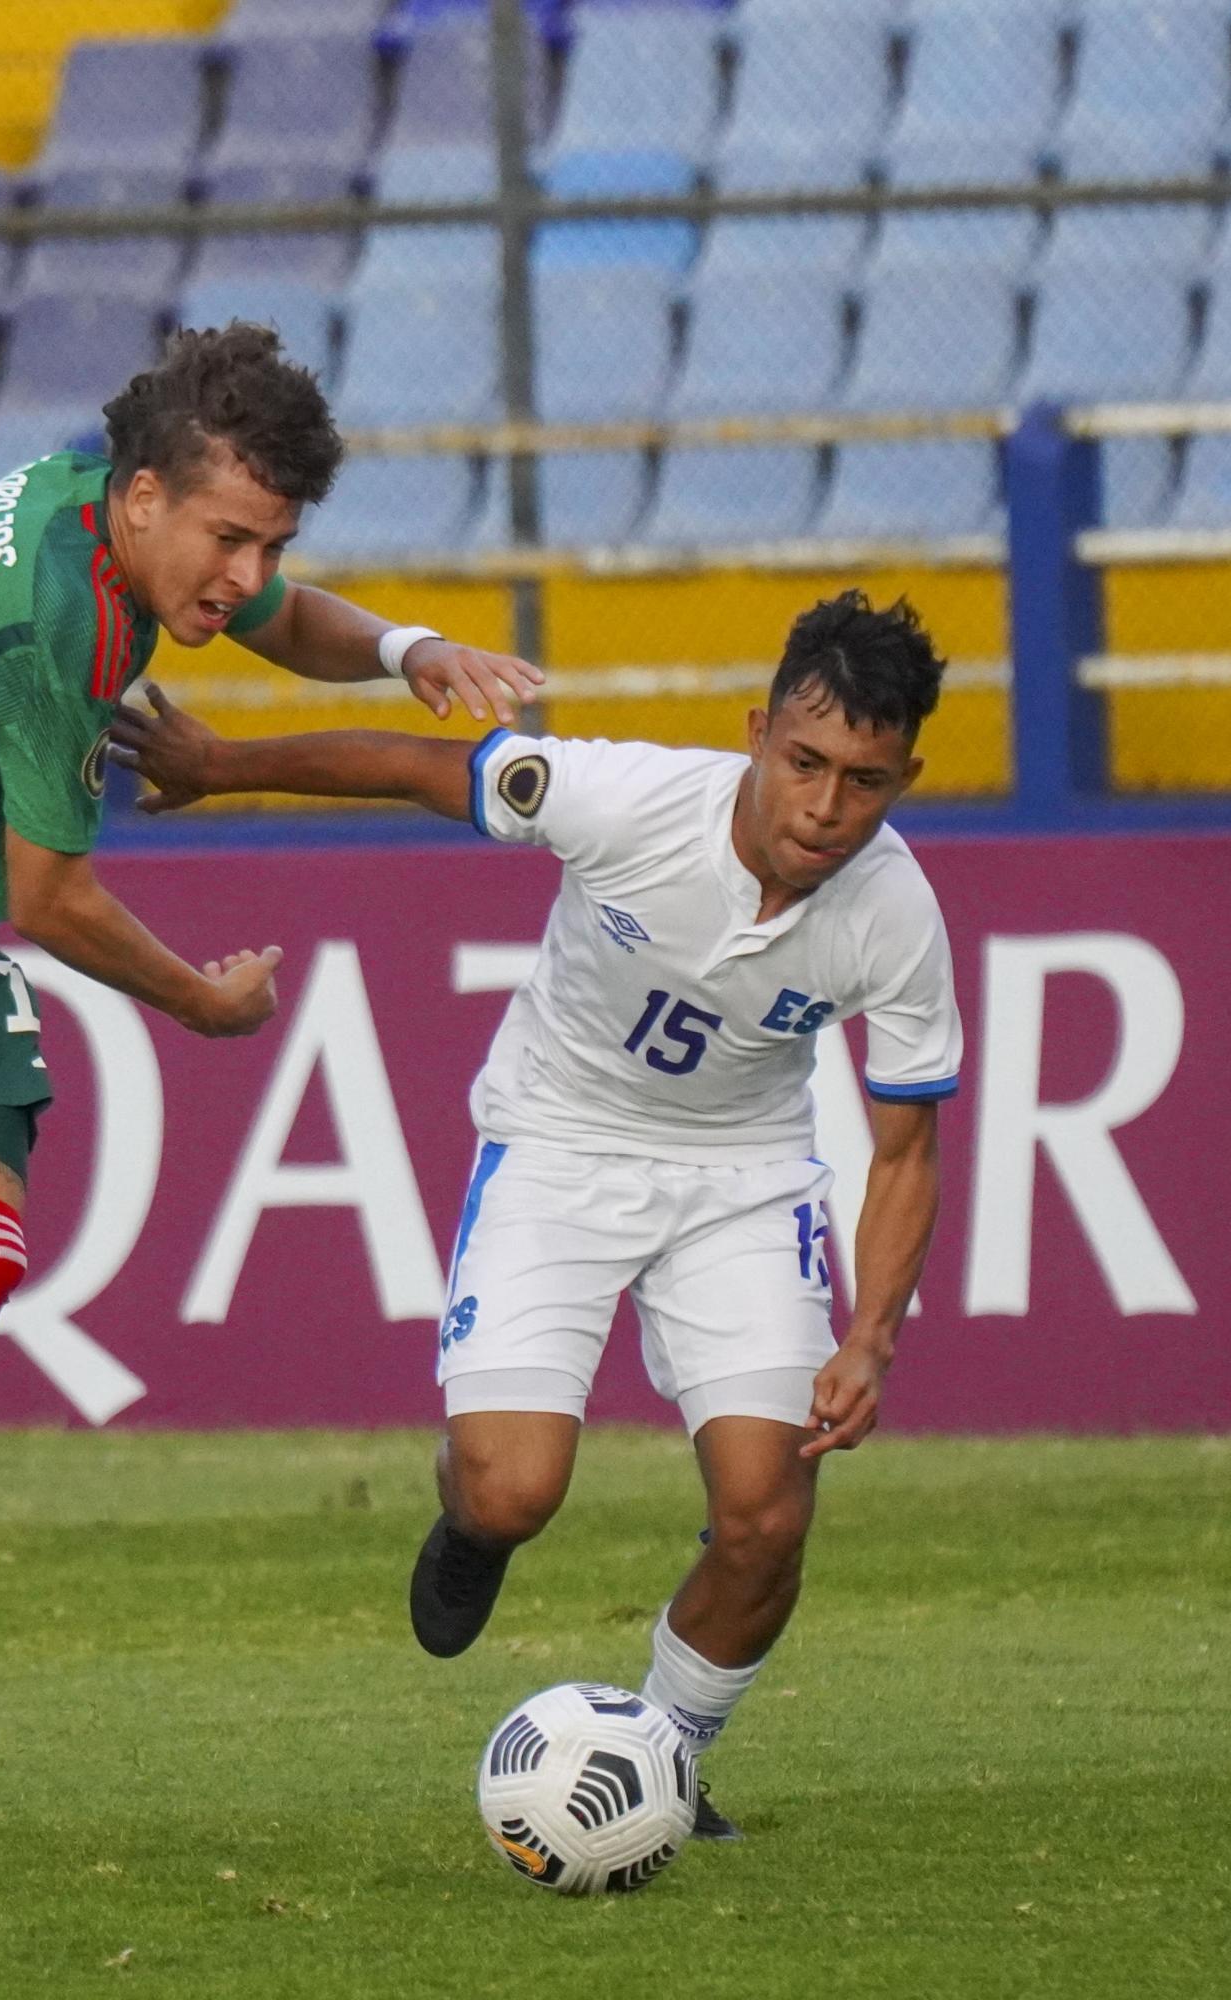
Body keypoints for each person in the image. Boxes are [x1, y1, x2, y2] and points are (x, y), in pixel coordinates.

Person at [0, 321, 545, 1747]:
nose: (246, 577)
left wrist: (408, 647)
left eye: (270, 540)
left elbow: (276, 613)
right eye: (232, 541)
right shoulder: (51, 623)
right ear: (146, 501)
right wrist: (205, 1003)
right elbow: (51, 900)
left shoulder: (109, 496)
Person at [111, 590, 960, 1840]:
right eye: (804, 763)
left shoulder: (894, 912)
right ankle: (467, 1518)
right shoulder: (625, 800)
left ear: (904, 777)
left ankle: (661, 1756)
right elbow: (418, 769)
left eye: (865, 781)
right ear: (755, 733)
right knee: (512, 1491)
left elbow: (904, 1146)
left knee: (766, 1514)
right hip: (557, 1145)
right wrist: (221, 764)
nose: (825, 808)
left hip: (743, 1178)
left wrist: (871, 1333)